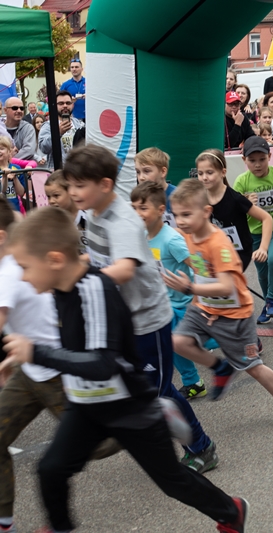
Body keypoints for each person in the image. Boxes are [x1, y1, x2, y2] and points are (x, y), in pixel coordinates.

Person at [1, 207, 250, 533]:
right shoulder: (57, 290)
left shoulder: (94, 289)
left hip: (129, 407)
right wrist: (18, 357)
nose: (21, 276)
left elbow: (103, 364)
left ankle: (231, 511)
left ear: (54, 260)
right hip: (85, 404)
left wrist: (35, 353)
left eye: (24, 267)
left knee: (172, 481)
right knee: (51, 469)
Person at [64, 144, 219, 473]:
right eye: (70, 185)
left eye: (79, 185)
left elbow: (123, 270)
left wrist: (79, 279)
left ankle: (200, 447)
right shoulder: (94, 215)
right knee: (148, 389)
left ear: (104, 184)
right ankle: (164, 438)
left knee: (158, 392)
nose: (72, 192)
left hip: (149, 321)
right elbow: (100, 259)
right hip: (123, 320)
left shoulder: (123, 221)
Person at [0, 198, 117, 533]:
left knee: (95, 446)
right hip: (28, 369)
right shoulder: (16, 262)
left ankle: (149, 416)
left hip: (57, 370)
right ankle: (4, 521)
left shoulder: (9, 272)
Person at [166, 179, 273, 429]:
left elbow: (226, 286)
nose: (180, 221)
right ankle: (220, 368)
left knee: (252, 366)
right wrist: (198, 300)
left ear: (206, 212)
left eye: (186, 214)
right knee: (178, 342)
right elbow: (202, 273)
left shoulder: (217, 243)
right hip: (205, 306)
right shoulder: (188, 236)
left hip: (235, 313)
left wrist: (190, 289)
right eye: (176, 215)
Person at [131, 181, 208, 400]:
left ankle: (241, 341)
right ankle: (193, 381)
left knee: (211, 339)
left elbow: (201, 266)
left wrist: (198, 293)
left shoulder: (172, 239)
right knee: (172, 344)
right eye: (134, 208)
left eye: (143, 208)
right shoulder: (141, 236)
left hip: (186, 303)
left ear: (160, 210)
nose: (137, 213)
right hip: (164, 304)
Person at [233, 136, 273, 323]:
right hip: (254, 233)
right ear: (244, 160)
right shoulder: (241, 182)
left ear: (269, 157)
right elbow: (234, 211)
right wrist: (245, 203)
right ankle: (269, 303)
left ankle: (271, 300)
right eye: (252, 160)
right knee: (262, 272)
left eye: (262, 159)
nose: (258, 165)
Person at [198, 148, 272, 271]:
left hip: (238, 253)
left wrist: (263, 248)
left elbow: (266, 218)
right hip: (215, 250)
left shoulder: (235, 199)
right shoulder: (200, 199)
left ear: (223, 172)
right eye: (200, 173)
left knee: (225, 279)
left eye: (209, 172)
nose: (204, 177)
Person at [44, 169, 88, 254]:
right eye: (48, 197)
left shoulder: (87, 217)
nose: (51, 201)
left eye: (56, 195)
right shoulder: (52, 221)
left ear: (71, 192)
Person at [38, 90, 84, 169]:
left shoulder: (79, 124)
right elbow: (43, 148)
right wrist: (58, 133)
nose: (65, 106)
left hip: (78, 170)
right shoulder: (48, 126)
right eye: (61, 103)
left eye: (68, 103)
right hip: (59, 171)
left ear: (72, 105)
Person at [0, 137, 25, 213]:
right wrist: (4, 177)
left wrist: (15, 178)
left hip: (14, 209)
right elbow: (2, 191)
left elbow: (21, 193)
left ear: (9, 151)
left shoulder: (16, 168)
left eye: (1, 149)